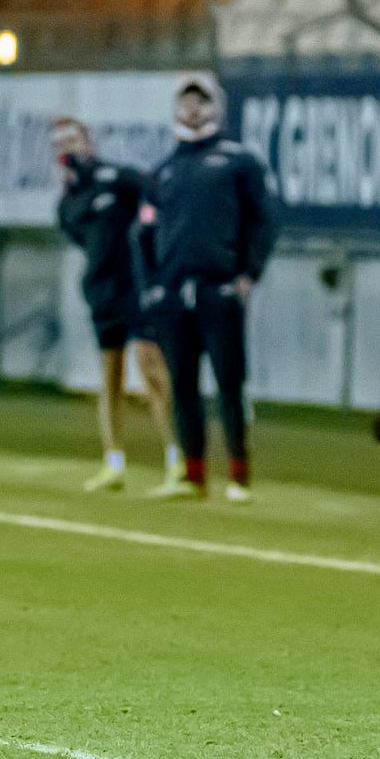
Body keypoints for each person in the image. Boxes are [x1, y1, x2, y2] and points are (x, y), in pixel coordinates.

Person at [135, 75, 275, 502]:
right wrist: (153, 288)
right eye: (186, 102)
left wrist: (248, 273)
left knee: (230, 383)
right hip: (174, 294)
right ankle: (193, 474)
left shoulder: (239, 162)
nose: (193, 110)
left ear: (216, 107)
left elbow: (264, 221)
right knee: (183, 385)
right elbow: (143, 234)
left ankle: (238, 473)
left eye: (201, 101)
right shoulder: (163, 170)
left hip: (219, 289)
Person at [54, 118, 181, 493]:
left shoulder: (116, 177)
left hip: (137, 289)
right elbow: (83, 239)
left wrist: (150, 246)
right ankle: (113, 462)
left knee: (153, 369)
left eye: (73, 139)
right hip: (102, 293)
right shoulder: (68, 203)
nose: (68, 148)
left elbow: (154, 196)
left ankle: (178, 458)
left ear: (88, 141)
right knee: (110, 377)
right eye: (61, 143)